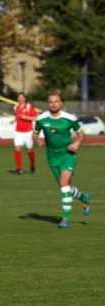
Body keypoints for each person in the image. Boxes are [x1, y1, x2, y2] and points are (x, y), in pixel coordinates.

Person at [32, 89, 91, 228]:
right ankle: (83, 198)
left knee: (64, 183)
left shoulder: (69, 118)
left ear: (61, 103)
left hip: (67, 155)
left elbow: (81, 134)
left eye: (56, 101)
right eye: (51, 102)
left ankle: (65, 219)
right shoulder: (41, 119)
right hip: (52, 157)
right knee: (65, 187)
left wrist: (76, 143)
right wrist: (37, 140)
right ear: (48, 103)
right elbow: (35, 134)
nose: (53, 104)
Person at [11, 92, 38, 174]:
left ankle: (32, 165)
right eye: (19, 97)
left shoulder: (29, 107)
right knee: (17, 149)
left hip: (27, 132)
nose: (20, 98)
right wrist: (14, 120)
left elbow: (36, 117)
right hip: (18, 131)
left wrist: (26, 117)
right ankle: (19, 169)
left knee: (29, 150)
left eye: (21, 97)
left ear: (24, 99)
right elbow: (18, 116)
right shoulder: (15, 107)